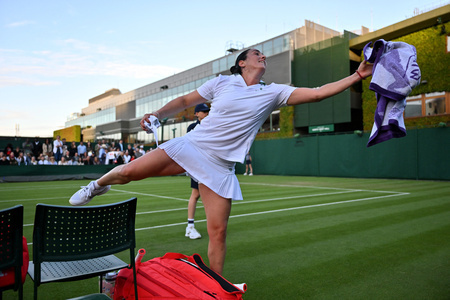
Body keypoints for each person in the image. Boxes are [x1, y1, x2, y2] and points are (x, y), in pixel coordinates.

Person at [70, 48, 372, 275]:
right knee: (128, 172)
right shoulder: (222, 83)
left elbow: (318, 94)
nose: (262, 56)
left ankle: (214, 286)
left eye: (262, 54)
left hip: (220, 168)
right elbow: (185, 101)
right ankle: (96, 186)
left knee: (218, 232)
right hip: (191, 146)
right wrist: (158, 115)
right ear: (242, 63)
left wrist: (357, 76)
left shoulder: (274, 92)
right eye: (256, 54)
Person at [185, 103, 210, 240]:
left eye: (207, 111)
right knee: (196, 194)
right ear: (197, 114)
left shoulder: (213, 125)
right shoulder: (193, 128)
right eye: (203, 111)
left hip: (210, 166)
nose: (206, 113)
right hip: (198, 166)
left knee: (210, 195)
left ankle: (212, 225)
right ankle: (190, 227)